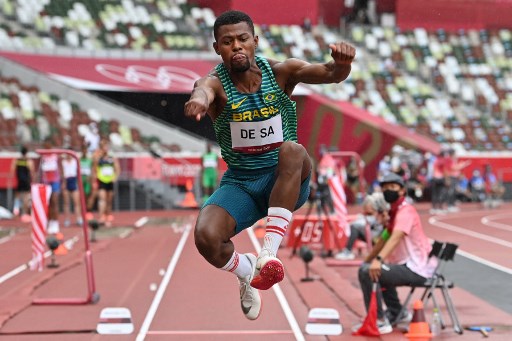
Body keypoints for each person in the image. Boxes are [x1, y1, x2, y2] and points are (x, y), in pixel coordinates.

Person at [183, 10, 355, 320]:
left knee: (292, 149)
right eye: (227, 42)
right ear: (217, 48)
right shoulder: (215, 84)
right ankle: (248, 271)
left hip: (286, 180)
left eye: (243, 39)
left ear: (255, 42)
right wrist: (199, 100)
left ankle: (268, 254)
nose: (236, 47)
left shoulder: (281, 73)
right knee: (206, 238)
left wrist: (342, 65)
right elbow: (204, 89)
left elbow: (328, 73)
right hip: (241, 185)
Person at [354, 173, 438, 334]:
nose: (388, 190)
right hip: (409, 266)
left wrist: (377, 260)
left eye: (392, 187)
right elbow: (383, 240)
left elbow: (396, 236)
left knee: (368, 272)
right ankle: (397, 312)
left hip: (418, 269)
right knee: (369, 268)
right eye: (385, 188)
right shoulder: (394, 214)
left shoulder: (405, 211)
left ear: (402, 191)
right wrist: (368, 259)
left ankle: (378, 320)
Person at [335, 192, 388, 260]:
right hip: (371, 235)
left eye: (370, 206)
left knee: (355, 226)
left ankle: (347, 252)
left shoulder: (382, 213)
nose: (368, 208)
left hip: (379, 237)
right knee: (355, 227)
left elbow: (371, 222)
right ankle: (347, 251)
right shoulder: (366, 215)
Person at [91, 138, 120, 227]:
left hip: (109, 181)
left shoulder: (112, 158)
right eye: (104, 147)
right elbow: (94, 169)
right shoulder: (98, 158)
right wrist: (94, 181)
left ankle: (107, 216)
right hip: (101, 180)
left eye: (106, 146)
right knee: (102, 199)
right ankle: (101, 217)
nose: (105, 148)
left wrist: (115, 177)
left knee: (109, 201)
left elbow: (117, 169)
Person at [40, 138, 63, 234]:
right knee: (47, 203)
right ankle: (49, 221)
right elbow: (40, 170)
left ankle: (55, 222)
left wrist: (62, 181)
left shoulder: (55, 154)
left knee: (54, 201)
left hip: (55, 181)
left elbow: (60, 168)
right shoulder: (42, 156)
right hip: (45, 182)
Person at [10, 145, 34, 222]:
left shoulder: (17, 160)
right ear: (26, 153)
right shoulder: (29, 161)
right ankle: (24, 214)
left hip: (19, 181)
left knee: (17, 196)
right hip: (26, 182)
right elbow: (32, 171)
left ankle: (16, 212)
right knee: (26, 198)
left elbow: (12, 169)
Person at [61, 149, 83, 227]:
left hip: (73, 180)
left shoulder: (75, 161)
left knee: (76, 202)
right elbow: (62, 173)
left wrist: (77, 182)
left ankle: (79, 218)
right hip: (67, 180)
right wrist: (63, 183)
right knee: (66, 203)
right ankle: (67, 219)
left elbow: (78, 172)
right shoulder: (63, 162)